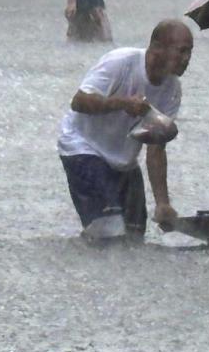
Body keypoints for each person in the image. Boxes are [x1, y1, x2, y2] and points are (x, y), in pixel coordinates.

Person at [57, 19, 193, 241]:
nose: (187, 59)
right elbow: (79, 101)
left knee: (134, 237)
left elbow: (156, 148)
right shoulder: (120, 62)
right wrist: (123, 104)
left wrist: (162, 203)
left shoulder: (172, 90)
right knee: (110, 233)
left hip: (123, 162)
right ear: (157, 48)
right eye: (181, 51)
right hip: (83, 147)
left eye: (190, 53)